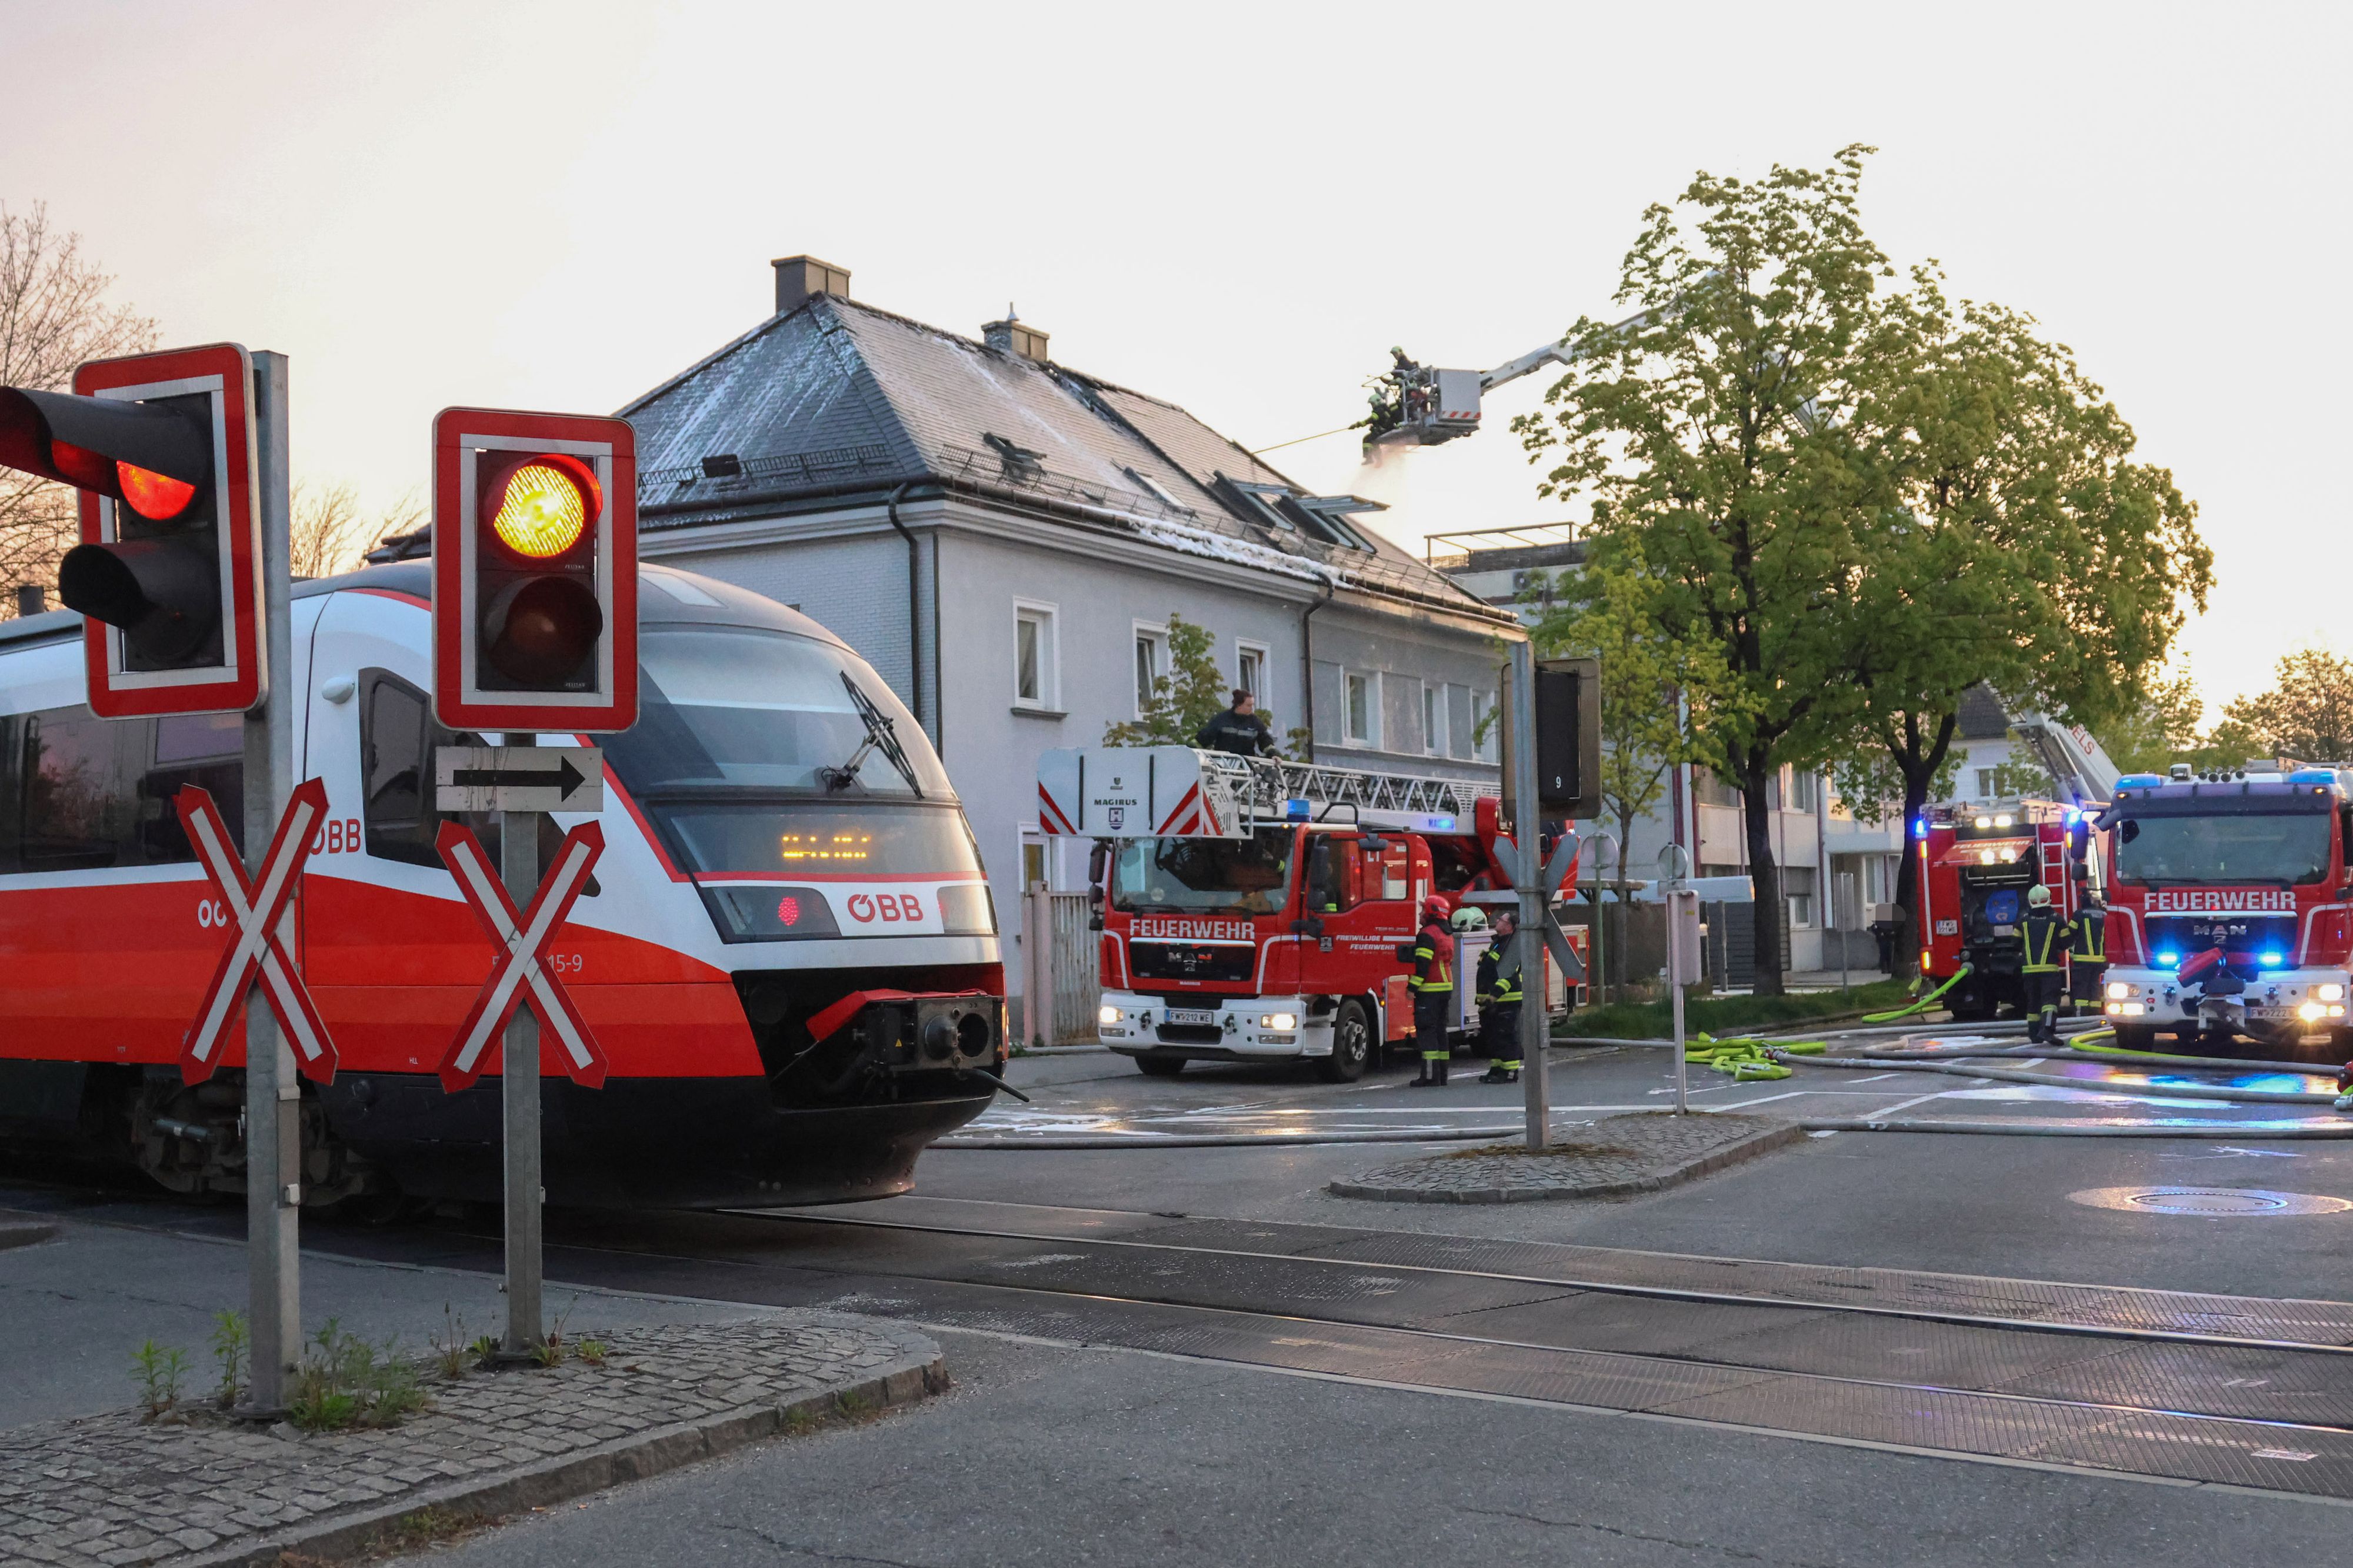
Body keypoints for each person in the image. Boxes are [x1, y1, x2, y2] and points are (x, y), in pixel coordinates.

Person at [1407, 894, 1456, 1087]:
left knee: (1427, 1033)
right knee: (1440, 1033)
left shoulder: (1427, 934)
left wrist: (1412, 988)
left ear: (1431, 912)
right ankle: (1442, 1076)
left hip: (1430, 991)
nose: (1420, 914)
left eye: (1423, 910)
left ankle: (1429, 1077)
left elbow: (1423, 966)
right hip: (1445, 989)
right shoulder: (1446, 933)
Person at [1477, 909, 1524, 1084]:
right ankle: (1497, 1069)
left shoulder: (1510, 946)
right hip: (1495, 1001)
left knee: (1506, 1036)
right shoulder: (1499, 943)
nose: (1498, 921)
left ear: (1510, 926)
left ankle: (1510, 1072)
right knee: (1494, 1038)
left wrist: (1494, 996)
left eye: (1502, 920)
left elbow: (1509, 975)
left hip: (1506, 1000)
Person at [2019, 884, 2065, 1043]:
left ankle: (2034, 1035)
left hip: (2029, 971)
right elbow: (2065, 942)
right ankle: (2047, 1030)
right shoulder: (2057, 919)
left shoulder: (2023, 920)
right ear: (2049, 899)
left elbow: (2015, 941)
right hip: (2049, 970)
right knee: (2050, 1001)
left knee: (2033, 1002)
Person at [1194, 690, 1276, 758]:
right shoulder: (1222, 719)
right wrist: (1191, 749)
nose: (1252, 708)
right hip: (1224, 765)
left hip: (1247, 766)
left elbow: (1265, 741)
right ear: (1239, 706)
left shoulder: (1255, 722)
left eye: (1252, 705)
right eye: (1249, 705)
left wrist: (1273, 754)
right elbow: (1205, 737)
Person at [2068, 890, 2108, 1016]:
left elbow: (2070, 934)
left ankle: (2081, 1016)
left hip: (2082, 960)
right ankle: (2096, 1016)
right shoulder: (2105, 915)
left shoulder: (2079, 915)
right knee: (2096, 989)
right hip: (2100, 961)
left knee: (2082, 989)